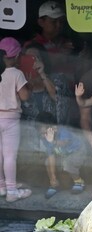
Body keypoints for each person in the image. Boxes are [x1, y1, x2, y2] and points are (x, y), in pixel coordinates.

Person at [0, 37, 32, 202]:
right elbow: (25, 96)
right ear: (16, 56)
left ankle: (1, 186)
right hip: (10, 120)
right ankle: (12, 191)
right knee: (10, 156)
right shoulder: (16, 74)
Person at [36, 112, 86, 198]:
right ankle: (54, 184)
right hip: (63, 154)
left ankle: (79, 182)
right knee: (48, 162)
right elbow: (51, 156)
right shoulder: (46, 137)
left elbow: (64, 143)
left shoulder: (63, 131)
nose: (44, 136)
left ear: (53, 128)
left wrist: (52, 141)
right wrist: (53, 176)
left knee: (67, 164)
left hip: (77, 152)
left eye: (45, 133)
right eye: (42, 134)